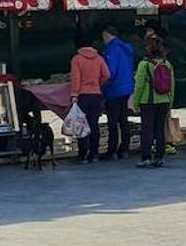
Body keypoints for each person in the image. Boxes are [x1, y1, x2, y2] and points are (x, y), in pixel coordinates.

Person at [132, 36, 174, 168]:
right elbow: (172, 85)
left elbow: (139, 85)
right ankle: (160, 157)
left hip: (148, 101)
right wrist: (170, 102)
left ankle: (146, 157)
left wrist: (136, 102)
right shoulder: (167, 64)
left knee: (147, 129)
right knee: (159, 129)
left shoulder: (144, 65)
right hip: (164, 100)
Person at [70, 35, 110, 163]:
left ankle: (83, 155)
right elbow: (107, 75)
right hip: (96, 95)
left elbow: (75, 78)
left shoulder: (77, 59)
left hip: (83, 96)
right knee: (94, 125)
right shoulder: (99, 58)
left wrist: (74, 94)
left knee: (81, 125)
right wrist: (98, 84)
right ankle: (94, 154)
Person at [100, 26, 134, 160]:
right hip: (126, 88)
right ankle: (125, 148)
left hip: (113, 89)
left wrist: (102, 85)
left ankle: (112, 150)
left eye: (104, 37)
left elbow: (109, 72)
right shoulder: (127, 49)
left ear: (107, 35)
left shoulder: (110, 50)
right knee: (123, 119)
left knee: (113, 122)